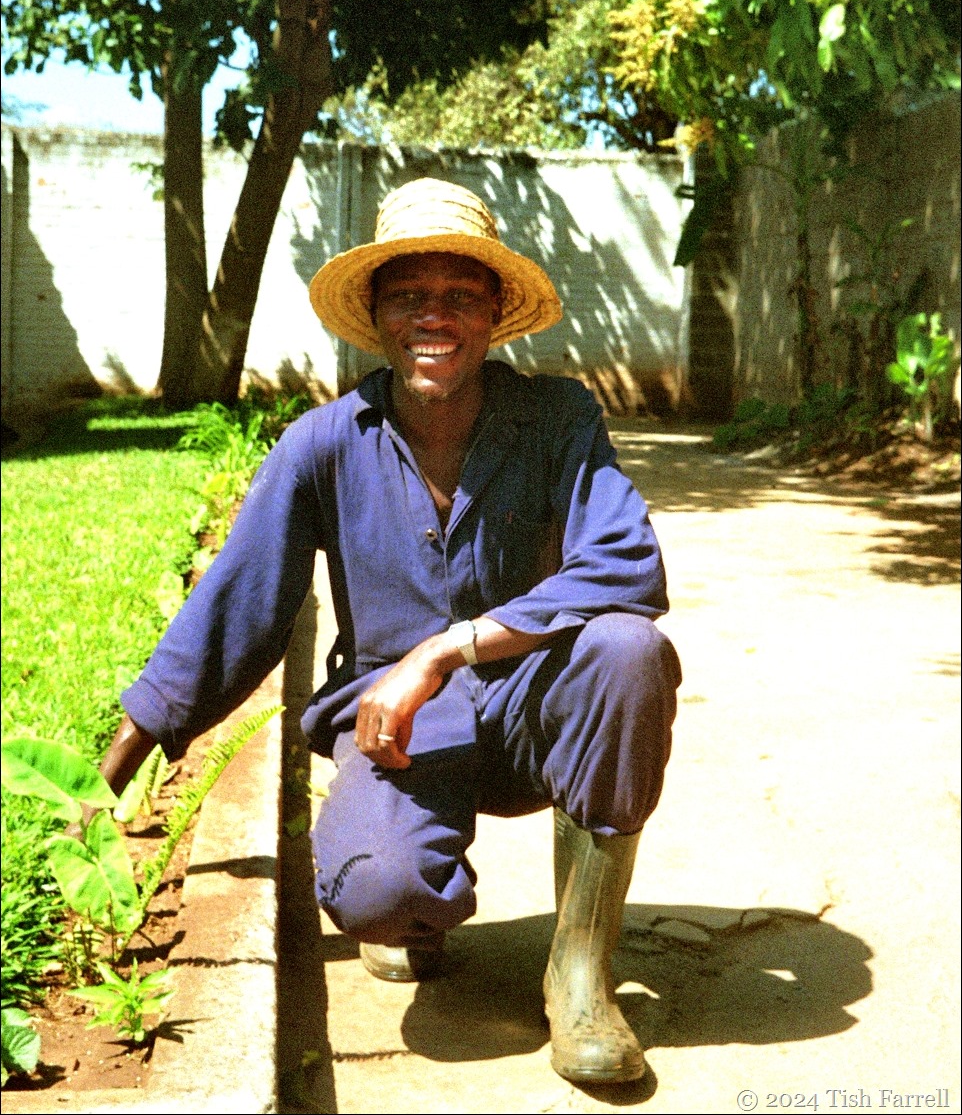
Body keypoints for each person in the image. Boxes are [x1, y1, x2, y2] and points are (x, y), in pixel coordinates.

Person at [96, 178, 681, 1085]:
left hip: (535, 715)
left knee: (627, 649)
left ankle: (578, 967)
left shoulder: (558, 419)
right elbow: (238, 603)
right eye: (410, 296)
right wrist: (113, 771)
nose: (434, 317)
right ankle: (414, 903)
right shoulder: (324, 444)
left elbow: (629, 565)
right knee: (379, 888)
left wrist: (445, 648)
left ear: (495, 315)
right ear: (375, 315)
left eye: (460, 295)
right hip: (397, 731)